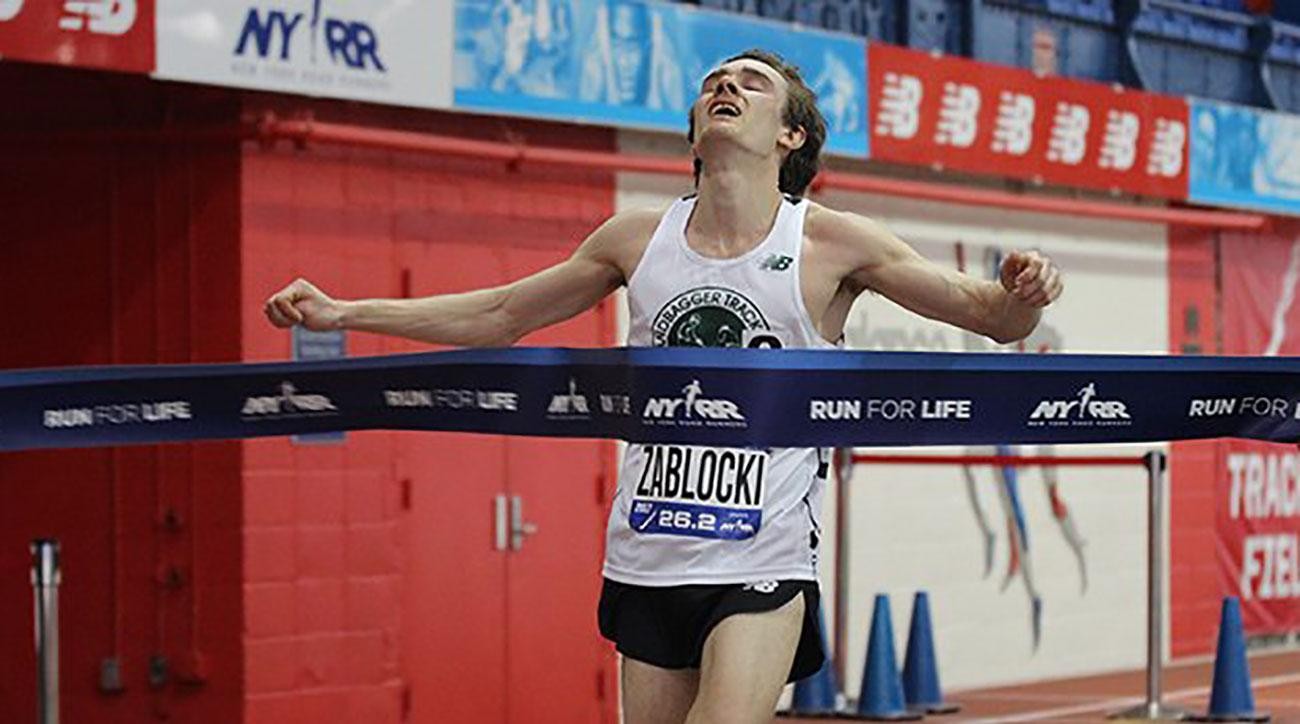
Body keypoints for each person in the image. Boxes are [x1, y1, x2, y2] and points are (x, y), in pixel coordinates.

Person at [264, 49, 1063, 724]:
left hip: (763, 557)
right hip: (649, 551)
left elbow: (989, 317)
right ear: (692, 127)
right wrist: (347, 309)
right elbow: (502, 314)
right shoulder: (636, 238)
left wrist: (1021, 292)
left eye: (752, 83)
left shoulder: (828, 241)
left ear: (789, 135)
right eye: (715, 80)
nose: (726, 87)